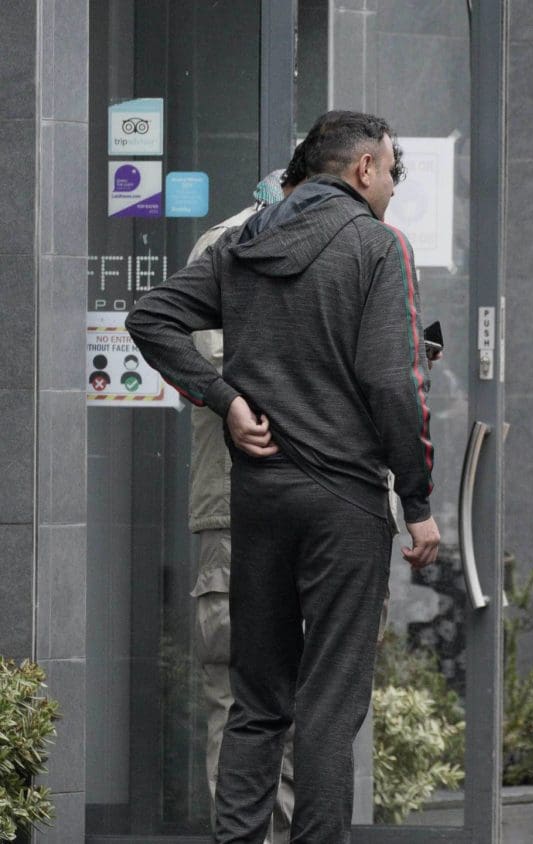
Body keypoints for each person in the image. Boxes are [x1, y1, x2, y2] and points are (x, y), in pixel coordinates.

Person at [127, 109, 438, 843]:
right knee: (328, 706)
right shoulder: (377, 246)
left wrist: (225, 398)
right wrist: (418, 499)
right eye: (391, 171)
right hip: (345, 504)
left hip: (258, 498)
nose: (392, 187)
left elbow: (151, 317)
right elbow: (394, 386)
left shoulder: (243, 243)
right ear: (363, 169)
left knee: (256, 702)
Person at [185, 166, 304, 843]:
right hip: (236, 508)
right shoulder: (229, 245)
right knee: (238, 704)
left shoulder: (345, 243)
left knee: (306, 706)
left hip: (314, 511)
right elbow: (222, 367)